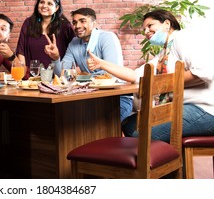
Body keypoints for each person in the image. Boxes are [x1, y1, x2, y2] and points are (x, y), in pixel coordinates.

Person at [87, 9, 214, 141]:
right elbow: (134, 76)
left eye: (150, 26)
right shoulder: (164, 53)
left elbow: (204, 72)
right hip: (183, 107)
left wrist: (162, 83)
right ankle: (164, 158)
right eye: (144, 29)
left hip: (205, 110)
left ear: (167, 24)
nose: (146, 32)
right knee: (129, 124)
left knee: (140, 136)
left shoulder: (183, 38)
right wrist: (101, 64)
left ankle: (163, 159)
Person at [43, 7, 133, 122]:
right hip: (91, 98)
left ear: (94, 23)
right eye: (75, 22)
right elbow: (64, 76)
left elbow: (111, 76)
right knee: (64, 118)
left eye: (82, 21)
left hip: (117, 98)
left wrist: (82, 76)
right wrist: (55, 58)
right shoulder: (74, 43)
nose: (77, 26)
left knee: (95, 123)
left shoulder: (107, 38)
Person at [16, 0, 75, 78]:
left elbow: (73, 52)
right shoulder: (28, 23)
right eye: (42, 2)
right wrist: (23, 75)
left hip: (58, 78)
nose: (44, 6)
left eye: (50, 4)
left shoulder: (65, 26)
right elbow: (21, 51)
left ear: (57, 8)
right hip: (33, 77)